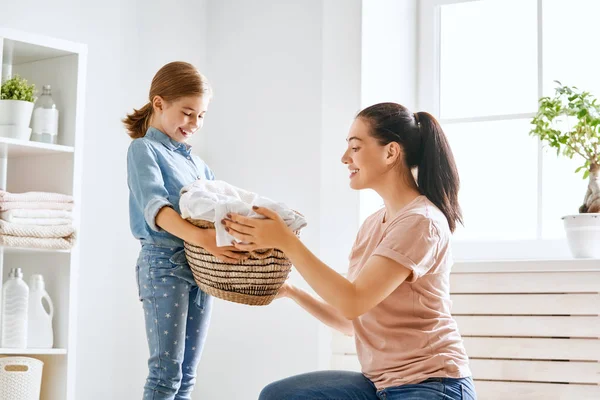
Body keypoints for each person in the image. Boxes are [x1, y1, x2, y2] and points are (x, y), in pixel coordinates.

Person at [223, 102, 477, 400]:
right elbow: (351, 321)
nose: (345, 158)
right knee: (279, 395)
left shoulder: (421, 221)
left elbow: (352, 302)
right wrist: (292, 291)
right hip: (380, 384)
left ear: (391, 152)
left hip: (433, 384)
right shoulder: (373, 224)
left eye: (355, 148)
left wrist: (287, 242)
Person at [124, 61, 247, 399]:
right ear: (159, 103)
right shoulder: (143, 150)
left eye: (201, 115)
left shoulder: (198, 164)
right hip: (163, 265)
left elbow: (214, 210)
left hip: (200, 265)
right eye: (188, 113)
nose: (195, 123)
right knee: (166, 374)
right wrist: (205, 239)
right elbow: (157, 211)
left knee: (187, 376)